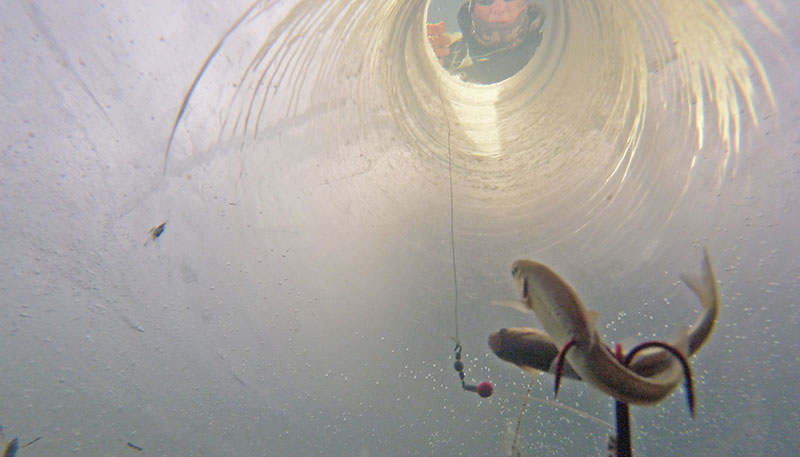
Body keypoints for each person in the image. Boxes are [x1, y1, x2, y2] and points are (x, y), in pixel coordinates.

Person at [427, 0, 544, 84]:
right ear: (472, 8)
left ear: (523, 4)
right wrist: (421, 59)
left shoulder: (548, 52)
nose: (498, 9)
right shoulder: (448, 55)